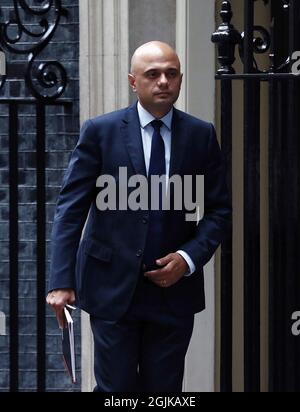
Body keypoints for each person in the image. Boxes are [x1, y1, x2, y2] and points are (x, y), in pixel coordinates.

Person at [46, 41, 231, 392]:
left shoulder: (201, 135)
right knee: (116, 390)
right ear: (134, 82)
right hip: (111, 287)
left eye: (171, 74)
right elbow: (70, 208)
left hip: (173, 292)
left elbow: (219, 211)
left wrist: (188, 258)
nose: (164, 81)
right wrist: (61, 280)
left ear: (180, 79)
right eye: (153, 74)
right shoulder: (100, 132)